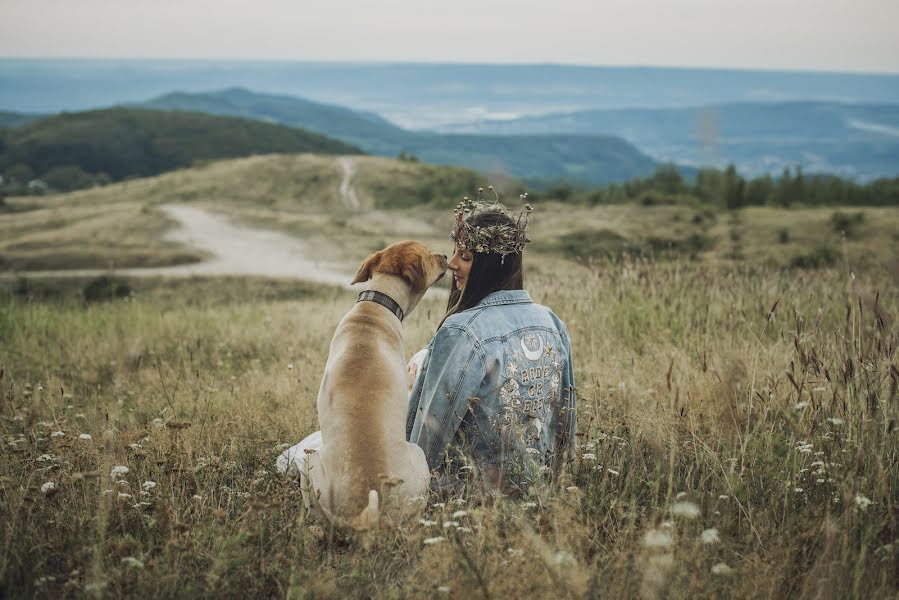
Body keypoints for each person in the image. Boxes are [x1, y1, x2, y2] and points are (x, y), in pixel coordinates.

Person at [405, 190, 576, 496]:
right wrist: (559, 486)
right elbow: (566, 420)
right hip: (540, 489)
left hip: (470, 497)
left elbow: (426, 435)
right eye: (455, 252)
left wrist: (405, 488)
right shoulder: (550, 322)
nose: (452, 264)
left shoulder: (461, 331)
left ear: (490, 266)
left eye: (466, 257)